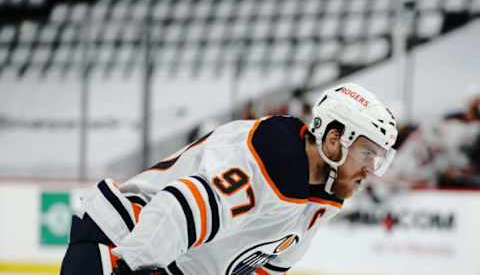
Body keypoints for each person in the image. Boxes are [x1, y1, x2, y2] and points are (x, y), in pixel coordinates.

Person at [60, 83, 398, 275]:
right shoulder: (271, 156)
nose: (371, 168)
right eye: (367, 153)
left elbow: (263, 267)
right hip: (118, 242)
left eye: (378, 158)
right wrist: (129, 266)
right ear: (335, 139)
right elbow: (180, 208)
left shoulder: (318, 204)